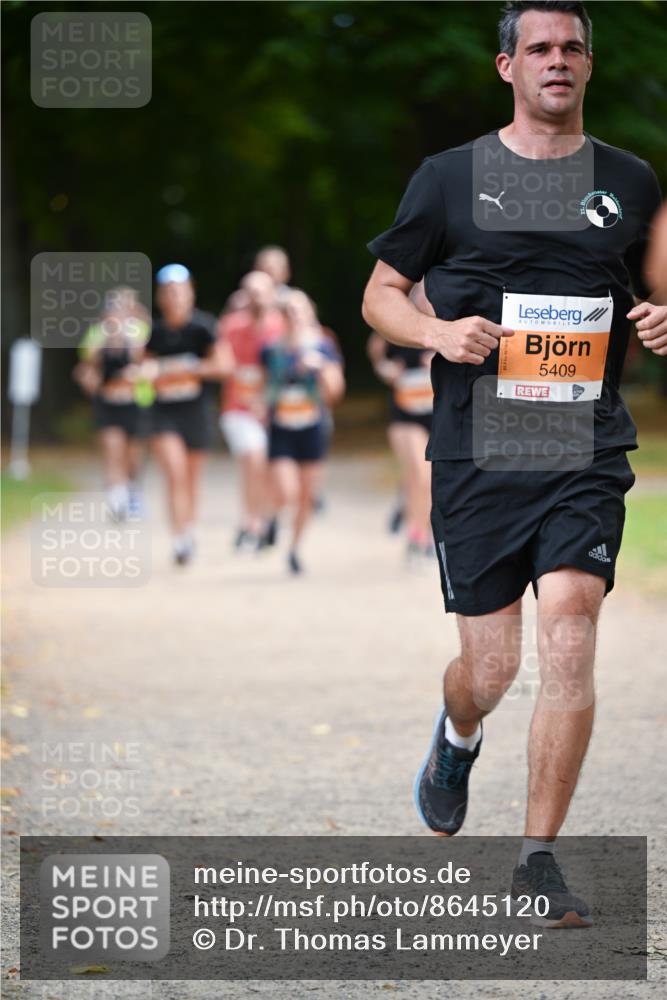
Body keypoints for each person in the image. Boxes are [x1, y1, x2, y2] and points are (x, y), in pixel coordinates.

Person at [363, 0, 665, 928]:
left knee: (569, 625)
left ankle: (537, 860)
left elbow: (659, 291)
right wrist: (436, 329)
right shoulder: (450, 178)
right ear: (507, 67)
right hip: (477, 449)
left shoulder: (629, 180)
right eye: (538, 47)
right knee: (487, 669)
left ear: (587, 65)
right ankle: (458, 733)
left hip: (581, 446)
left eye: (572, 46)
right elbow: (381, 295)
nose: (557, 60)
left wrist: (659, 318)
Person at [140, 264, 230, 565]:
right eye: (168, 292)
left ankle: (188, 530)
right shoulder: (155, 332)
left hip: (197, 412)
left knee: (191, 478)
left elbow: (225, 367)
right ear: (161, 297)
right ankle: (179, 539)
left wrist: (191, 368)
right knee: (174, 473)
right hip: (164, 413)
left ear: (190, 294)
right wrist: (150, 372)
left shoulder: (203, 328)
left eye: (180, 291)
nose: (175, 298)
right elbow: (142, 368)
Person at [261, 289, 345, 574]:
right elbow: (261, 388)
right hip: (282, 427)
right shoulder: (271, 350)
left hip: (313, 426)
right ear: (281, 317)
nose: (294, 317)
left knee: (307, 496)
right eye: (288, 312)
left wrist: (320, 367)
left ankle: (294, 549)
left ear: (310, 313)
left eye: (299, 311)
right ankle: (273, 516)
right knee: (288, 491)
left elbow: (335, 391)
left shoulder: (323, 346)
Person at [367, 281, 436, 562]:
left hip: (436, 414)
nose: (424, 299)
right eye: (419, 294)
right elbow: (376, 348)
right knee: (418, 475)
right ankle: (415, 537)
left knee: (430, 481)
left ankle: (428, 535)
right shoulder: (401, 326)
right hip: (405, 414)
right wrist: (384, 369)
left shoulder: (449, 325)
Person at [218, 270, 285, 549]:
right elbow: (222, 364)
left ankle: (264, 517)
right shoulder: (230, 326)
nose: (256, 297)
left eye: (261, 291)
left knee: (271, 470)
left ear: (273, 294)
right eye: (250, 291)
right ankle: (252, 522)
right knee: (253, 458)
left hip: (276, 410)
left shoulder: (282, 326)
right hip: (238, 408)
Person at [73, 287, 152, 519]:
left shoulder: (141, 331)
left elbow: (151, 359)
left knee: (134, 453)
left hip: (135, 401)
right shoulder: (97, 334)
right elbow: (86, 367)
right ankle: (117, 499)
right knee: (112, 448)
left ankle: (132, 491)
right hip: (107, 402)